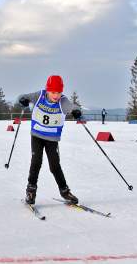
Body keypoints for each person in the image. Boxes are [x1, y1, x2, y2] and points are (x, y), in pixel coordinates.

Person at [19, 75, 82, 205]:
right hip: (37, 135)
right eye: (53, 92)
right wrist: (23, 100)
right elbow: (24, 97)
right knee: (36, 162)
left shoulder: (62, 101)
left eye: (59, 92)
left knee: (54, 165)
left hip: (52, 138)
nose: (56, 95)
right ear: (47, 90)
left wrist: (76, 111)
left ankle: (65, 191)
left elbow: (72, 106)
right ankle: (31, 191)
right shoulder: (40, 95)